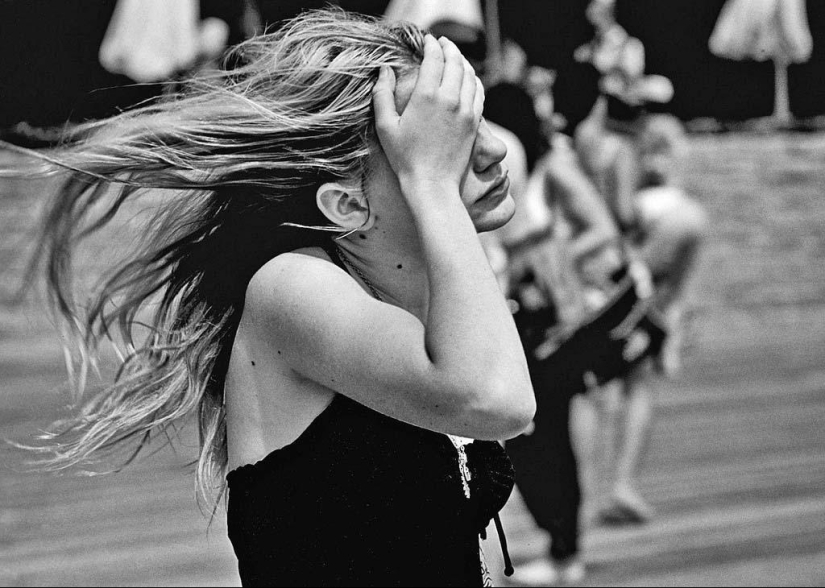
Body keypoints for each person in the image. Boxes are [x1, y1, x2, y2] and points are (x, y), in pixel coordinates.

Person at [11, 10, 536, 586]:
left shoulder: (413, 298)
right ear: (347, 204)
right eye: (440, 142)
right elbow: (495, 401)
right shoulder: (290, 290)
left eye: (472, 119)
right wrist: (433, 184)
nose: (492, 150)